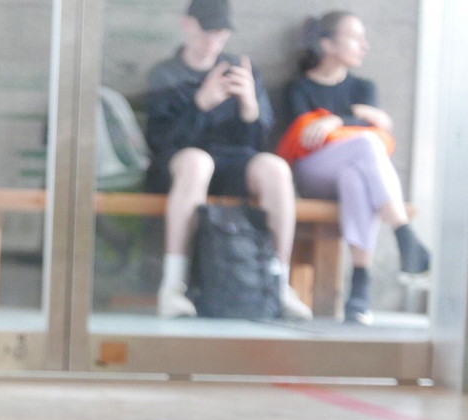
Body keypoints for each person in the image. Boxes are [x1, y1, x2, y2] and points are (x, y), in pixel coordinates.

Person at [145, 0, 312, 320]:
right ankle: (172, 287)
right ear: (187, 25)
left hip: (233, 163)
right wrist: (201, 104)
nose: (213, 40)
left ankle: (277, 283)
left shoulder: (241, 70)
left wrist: (250, 106)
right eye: (207, 30)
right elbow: (160, 141)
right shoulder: (165, 74)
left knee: (275, 168)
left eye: (220, 32)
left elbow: (258, 142)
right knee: (197, 162)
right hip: (180, 167)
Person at [284, 11, 430, 325]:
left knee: (355, 176)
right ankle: (402, 232)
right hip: (312, 174)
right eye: (354, 37)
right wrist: (359, 119)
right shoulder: (297, 88)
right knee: (365, 145)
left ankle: (359, 289)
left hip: (351, 172)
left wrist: (337, 120)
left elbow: (377, 133)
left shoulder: (364, 87)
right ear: (327, 44)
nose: (363, 45)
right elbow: (308, 138)